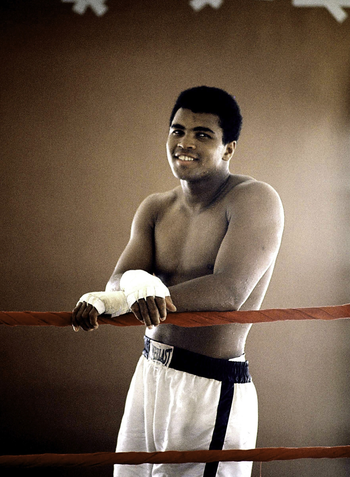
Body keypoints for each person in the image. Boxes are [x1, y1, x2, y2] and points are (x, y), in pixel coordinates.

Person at [72, 86, 284, 477]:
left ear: (228, 148)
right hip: (149, 372)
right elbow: (120, 279)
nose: (185, 142)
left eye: (202, 134)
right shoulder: (156, 207)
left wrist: (143, 296)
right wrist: (113, 295)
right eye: (178, 130)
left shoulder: (253, 199)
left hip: (209, 385)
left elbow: (229, 290)